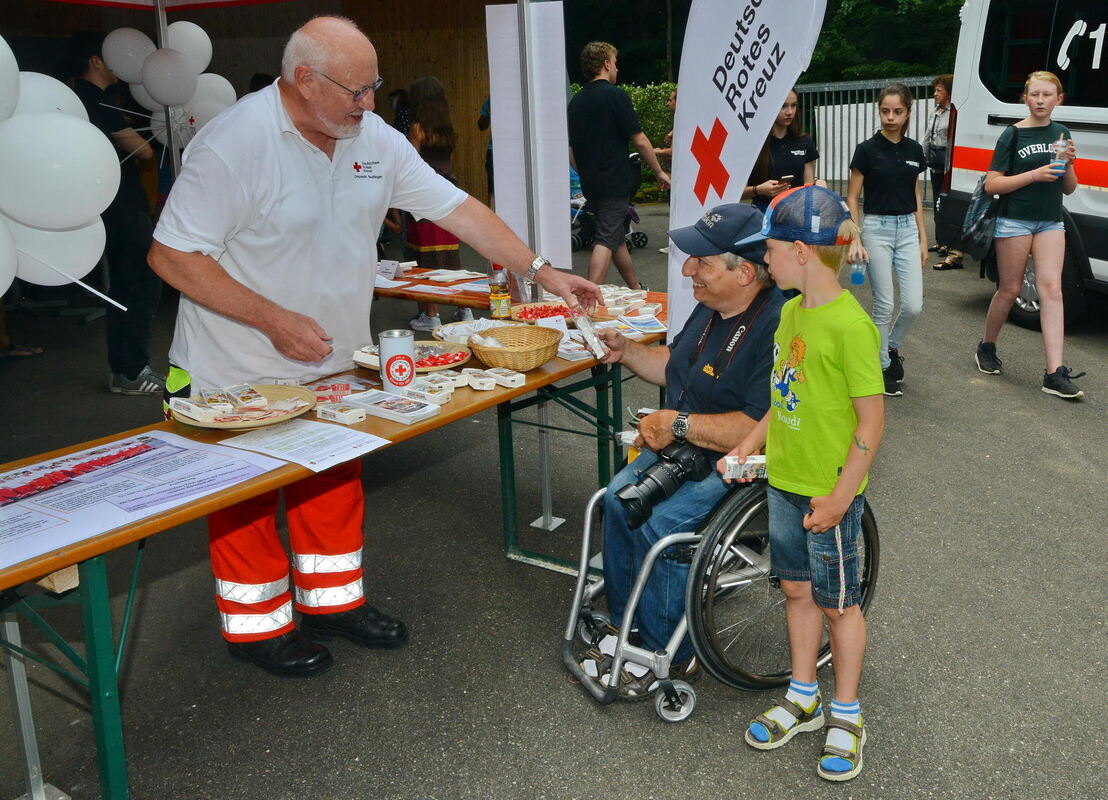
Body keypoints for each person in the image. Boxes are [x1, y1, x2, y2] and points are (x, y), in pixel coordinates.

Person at [147, 16, 601, 678]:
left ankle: (335, 603)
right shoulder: (234, 143)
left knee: (332, 481)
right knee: (243, 502)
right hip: (234, 367)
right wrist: (270, 317)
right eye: (355, 91)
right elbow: (171, 255)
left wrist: (541, 269)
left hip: (332, 360)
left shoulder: (372, 140)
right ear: (303, 80)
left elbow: (458, 210)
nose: (369, 104)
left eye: (374, 88)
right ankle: (257, 630)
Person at [722, 184, 884, 783]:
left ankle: (846, 712)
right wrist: (749, 443)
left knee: (840, 603)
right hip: (784, 485)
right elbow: (782, 393)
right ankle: (803, 695)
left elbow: (872, 421)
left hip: (827, 494)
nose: (763, 260)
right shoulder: (790, 312)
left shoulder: (851, 327)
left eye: (768, 249)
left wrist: (842, 497)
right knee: (795, 591)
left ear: (800, 251)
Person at [588, 203, 784, 697]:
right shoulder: (711, 306)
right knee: (617, 499)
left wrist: (675, 423)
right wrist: (626, 350)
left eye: (702, 261)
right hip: (688, 445)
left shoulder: (778, 325)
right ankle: (626, 625)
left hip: (742, 459)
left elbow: (755, 425)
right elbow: (676, 363)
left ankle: (666, 655)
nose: (688, 269)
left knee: (660, 524)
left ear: (744, 273)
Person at [975, 71, 1084, 399]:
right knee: (1009, 291)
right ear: (1025, 98)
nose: (1040, 101)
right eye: (1034, 95)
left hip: (1050, 221)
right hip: (1014, 221)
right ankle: (987, 345)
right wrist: (1033, 175)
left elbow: (1068, 187)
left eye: (1047, 95)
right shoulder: (1012, 135)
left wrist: (1070, 164)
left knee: (1052, 290)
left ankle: (1054, 372)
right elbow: (992, 184)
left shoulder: (1062, 132)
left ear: (1058, 99)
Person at [69, 32, 164, 396]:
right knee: (143, 286)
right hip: (122, 205)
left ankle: (121, 371)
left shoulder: (83, 97)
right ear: (97, 60)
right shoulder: (95, 100)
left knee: (123, 289)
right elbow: (142, 152)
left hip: (105, 204)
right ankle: (133, 371)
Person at [846, 83, 928, 397]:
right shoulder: (866, 150)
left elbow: (916, 194)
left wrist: (923, 237)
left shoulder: (914, 151)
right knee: (884, 305)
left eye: (897, 111)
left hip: (908, 229)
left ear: (908, 112)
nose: (890, 117)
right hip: (876, 229)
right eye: (885, 111)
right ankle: (880, 369)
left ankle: (890, 347)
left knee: (913, 306)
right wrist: (856, 237)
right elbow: (853, 197)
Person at [567, 41, 670, 289]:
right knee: (605, 237)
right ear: (605, 64)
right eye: (615, 63)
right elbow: (640, 140)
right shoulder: (615, 95)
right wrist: (659, 171)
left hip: (591, 181)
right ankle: (588, 300)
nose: (617, 68)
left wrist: (586, 173)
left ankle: (635, 288)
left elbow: (570, 150)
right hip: (614, 180)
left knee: (615, 235)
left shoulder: (576, 102)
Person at [404, 76, 468, 331]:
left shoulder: (417, 129)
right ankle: (463, 309)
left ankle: (431, 315)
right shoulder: (447, 129)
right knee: (449, 255)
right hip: (449, 193)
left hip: (424, 196)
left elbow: (410, 162)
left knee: (427, 258)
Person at [744, 88, 820, 211]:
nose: (789, 112)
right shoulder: (753, 143)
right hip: (762, 213)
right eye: (783, 106)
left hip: (797, 213)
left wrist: (819, 186)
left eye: (793, 105)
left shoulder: (805, 141)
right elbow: (736, 192)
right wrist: (758, 190)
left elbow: (808, 186)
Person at [925, 75, 965, 271]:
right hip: (935, 163)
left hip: (949, 166)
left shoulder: (954, 113)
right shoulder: (935, 112)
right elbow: (927, 136)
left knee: (945, 204)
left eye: (939, 91)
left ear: (949, 92)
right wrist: (923, 159)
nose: (935, 94)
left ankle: (950, 245)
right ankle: (940, 242)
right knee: (936, 204)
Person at [655, 87, 676, 254]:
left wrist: (656, 152)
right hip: (672, 172)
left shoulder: (682, 122)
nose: (668, 102)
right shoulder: (676, 122)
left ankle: (675, 244)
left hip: (676, 175)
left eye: (671, 99)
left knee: (676, 207)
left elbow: (677, 150)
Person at [477, 96, 494, 208]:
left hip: (513, 148)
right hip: (493, 150)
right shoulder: (489, 101)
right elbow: (481, 126)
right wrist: (488, 113)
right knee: (493, 188)